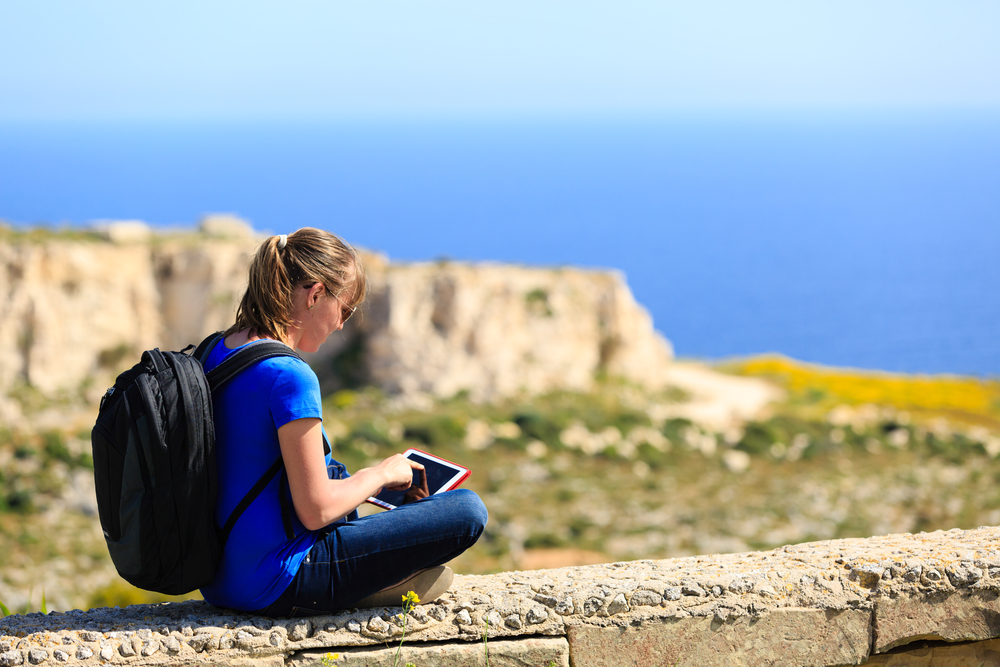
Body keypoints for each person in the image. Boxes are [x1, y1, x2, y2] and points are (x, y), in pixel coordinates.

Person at [199, 228, 487, 616]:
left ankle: (375, 575)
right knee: (467, 510)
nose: (341, 324)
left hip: (218, 580)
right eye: (345, 309)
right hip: (280, 581)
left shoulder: (218, 349)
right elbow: (316, 511)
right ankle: (371, 586)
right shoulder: (289, 376)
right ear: (316, 294)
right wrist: (382, 474)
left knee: (336, 472)